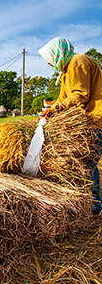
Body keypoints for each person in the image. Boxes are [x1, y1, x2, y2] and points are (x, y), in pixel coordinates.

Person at [38, 37, 102, 214]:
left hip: (96, 120)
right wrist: (49, 111)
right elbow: (62, 98)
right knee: (85, 163)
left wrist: (56, 109)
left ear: (58, 54)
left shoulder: (77, 62)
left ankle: (94, 207)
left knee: (86, 163)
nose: (50, 64)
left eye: (50, 59)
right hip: (89, 122)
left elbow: (80, 95)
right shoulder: (66, 71)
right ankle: (90, 204)